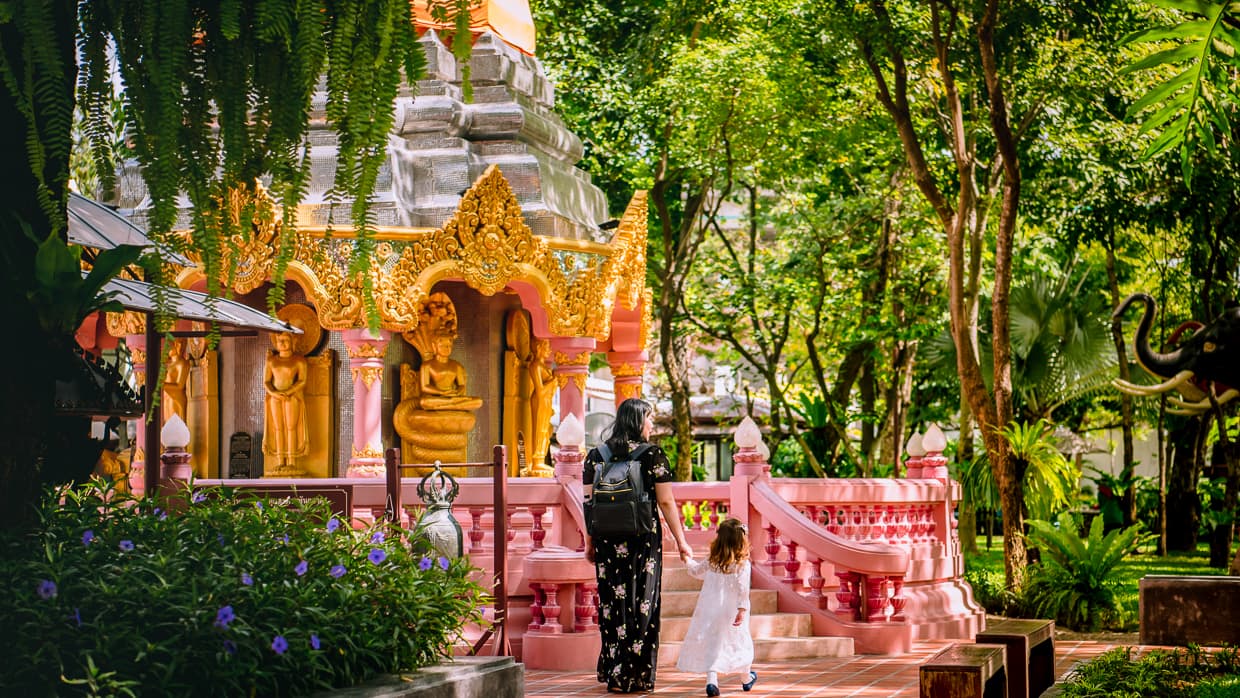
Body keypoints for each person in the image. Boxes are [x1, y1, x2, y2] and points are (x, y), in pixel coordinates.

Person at [584, 398, 693, 694]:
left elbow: (588, 504)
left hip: (607, 540)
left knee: (612, 605)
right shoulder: (652, 455)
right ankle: (636, 675)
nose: (652, 425)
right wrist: (682, 542)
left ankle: (615, 672)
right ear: (637, 421)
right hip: (641, 540)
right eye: (650, 419)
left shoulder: (597, 455)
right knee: (641, 603)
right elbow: (666, 501)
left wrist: (589, 541)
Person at [676, 518, 757, 697]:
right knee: (739, 642)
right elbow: (743, 589)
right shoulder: (743, 564)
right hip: (732, 611)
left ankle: (711, 681)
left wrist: (687, 559)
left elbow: (696, 571)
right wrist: (742, 609)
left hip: (710, 609)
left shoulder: (713, 560)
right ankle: (746, 678)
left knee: (713, 642)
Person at [263, 331, 309, 468]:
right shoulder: (271, 361)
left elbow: (302, 380)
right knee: (277, 428)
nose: (282, 343)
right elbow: (266, 381)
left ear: (293, 342)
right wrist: (274, 393)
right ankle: (280, 460)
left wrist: (289, 391)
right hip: (275, 397)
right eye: (279, 340)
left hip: (291, 396)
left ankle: (291, 461)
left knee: (291, 427)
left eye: (285, 340)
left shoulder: (299, 360)